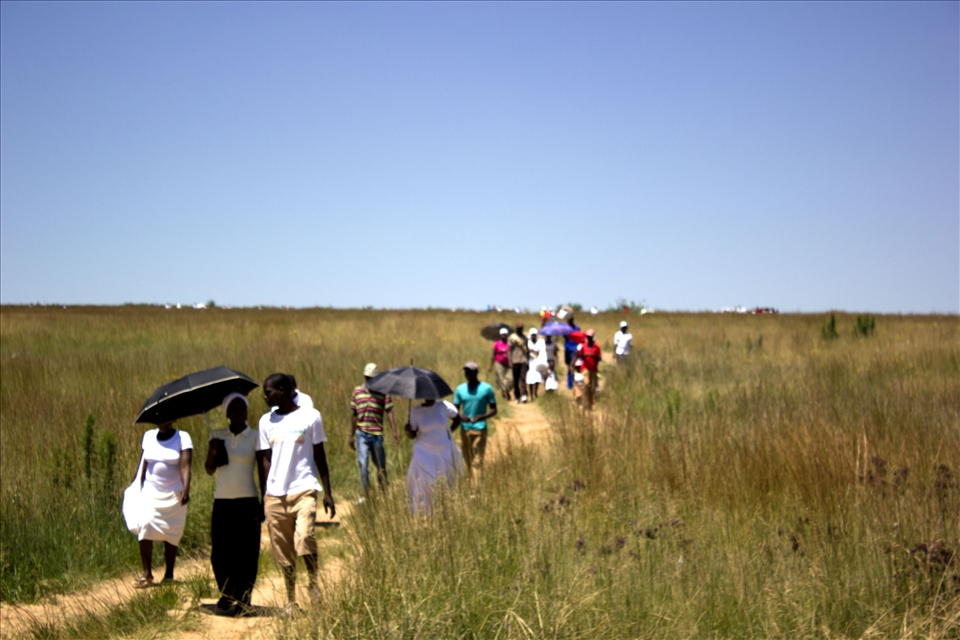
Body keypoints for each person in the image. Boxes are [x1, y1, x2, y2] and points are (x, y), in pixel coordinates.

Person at [256, 373, 335, 614]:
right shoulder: (265, 422)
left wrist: (328, 492)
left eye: (268, 392)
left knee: (304, 537)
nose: (265, 397)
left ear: (282, 390)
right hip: (275, 495)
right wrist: (264, 495)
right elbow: (264, 460)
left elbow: (320, 454)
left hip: (304, 488)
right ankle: (290, 600)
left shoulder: (311, 416)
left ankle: (313, 583)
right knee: (283, 550)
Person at [205, 393, 261, 616]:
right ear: (227, 413)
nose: (238, 412)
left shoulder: (256, 436)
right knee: (220, 553)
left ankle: (244, 601)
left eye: (242, 408)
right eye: (234, 409)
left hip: (248, 500)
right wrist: (213, 450)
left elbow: (263, 468)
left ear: (247, 411)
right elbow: (209, 469)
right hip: (222, 501)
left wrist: (264, 501)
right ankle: (228, 592)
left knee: (247, 553)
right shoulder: (217, 436)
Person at [132, 420, 193, 588]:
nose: (163, 423)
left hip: (174, 494)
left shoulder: (183, 438)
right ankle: (147, 573)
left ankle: (169, 574)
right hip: (150, 491)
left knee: (172, 532)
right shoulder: (148, 436)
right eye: (160, 420)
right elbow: (143, 464)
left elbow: (185, 467)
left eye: (167, 420)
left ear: (173, 419)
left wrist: (186, 489)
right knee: (145, 525)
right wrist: (136, 484)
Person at [405, 398, 463, 515]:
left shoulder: (444, 406)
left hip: (444, 451)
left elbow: (457, 418)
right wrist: (408, 431)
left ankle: (445, 509)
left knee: (445, 479)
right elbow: (412, 435)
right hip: (423, 452)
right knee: (424, 481)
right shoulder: (416, 411)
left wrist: (448, 432)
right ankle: (423, 511)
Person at [348, 363, 399, 495]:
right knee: (363, 464)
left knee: (380, 465)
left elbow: (389, 411)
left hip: (377, 434)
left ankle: (383, 490)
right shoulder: (357, 391)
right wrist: (351, 435)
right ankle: (365, 494)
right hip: (361, 434)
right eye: (368, 377)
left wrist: (394, 431)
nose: (370, 380)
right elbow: (354, 414)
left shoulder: (383, 392)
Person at [453, 362, 498, 481]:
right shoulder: (460, 389)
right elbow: (454, 410)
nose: (468, 374)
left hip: (480, 428)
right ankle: (469, 482)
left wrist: (481, 416)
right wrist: (460, 417)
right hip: (465, 429)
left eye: (471, 371)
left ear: (476, 372)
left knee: (477, 460)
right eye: (466, 371)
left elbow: (494, 409)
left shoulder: (487, 388)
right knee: (467, 459)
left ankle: (476, 488)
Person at [579, 329, 602, 410]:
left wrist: (593, 356)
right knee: (586, 384)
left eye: (590, 337)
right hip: (585, 368)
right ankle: (584, 402)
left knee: (592, 388)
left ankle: (590, 404)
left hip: (593, 369)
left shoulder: (597, 347)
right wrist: (585, 355)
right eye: (588, 337)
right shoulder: (584, 346)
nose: (589, 338)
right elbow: (580, 355)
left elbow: (599, 358)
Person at [488, 327, 513, 401]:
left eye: (505, 335)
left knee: (510, 378)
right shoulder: (497, 344)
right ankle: (504, 393)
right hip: (499, 364)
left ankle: (507, 390)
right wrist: (490, 366)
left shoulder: (509, 343)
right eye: (502, 335)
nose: (504, 336)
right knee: (501, 379)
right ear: (500, 335)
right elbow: (493, 355)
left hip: (509, 364)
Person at [507, 321, 529, 403]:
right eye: (519, 328)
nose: (520, 329)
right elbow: (509, 350)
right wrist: (510, 361)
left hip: (523, 360)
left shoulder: (524, 338)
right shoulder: (512, 338)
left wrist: (528, 359)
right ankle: (517, 396)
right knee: (515, 380)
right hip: (515, 361)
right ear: (516, 328)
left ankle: (524, 394)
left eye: (521, 328)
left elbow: (527, 349)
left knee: (523, 378)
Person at [561, 310, 581, 389]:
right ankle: (569, 383)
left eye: (570, 320)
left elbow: (579, 337)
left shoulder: (576, 328)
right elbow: (564, 336)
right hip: (567, 348)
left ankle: (574, 381)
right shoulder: (565, 329)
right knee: (568, 365)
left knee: (573, 365)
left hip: (574, 348)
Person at [526, 327, 547, 401]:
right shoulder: (528, 343)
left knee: (537, 379)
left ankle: (535, 393)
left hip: (538, 363)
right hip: (530, 363)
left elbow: (541, 352)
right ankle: (531, 394)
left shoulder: (540, 342)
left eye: (535, 335)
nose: (533, 336)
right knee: (530, 380)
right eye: (532, 335)